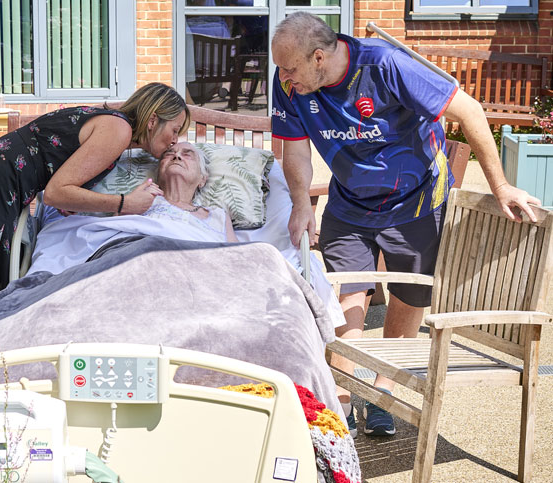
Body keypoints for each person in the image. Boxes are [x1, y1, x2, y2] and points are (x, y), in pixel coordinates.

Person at [269, 12, 541, 438]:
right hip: (350, 200)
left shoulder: (385, 65)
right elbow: (294, 148)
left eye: (289, 69)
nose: (283, 78)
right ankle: (342, 395)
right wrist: (301, 203)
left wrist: (501, 185)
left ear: (318, 57)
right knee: (346, 291)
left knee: (408, 294)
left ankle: (384, 393)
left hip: (417, 201)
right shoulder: (291, 81)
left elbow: (468, 111)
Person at [0, 83, 190, 340]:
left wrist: (76, 201)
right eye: (175, 130)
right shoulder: (118, 129)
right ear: (153, 119)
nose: (176, 139)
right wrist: (125, 203)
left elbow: (60, 180)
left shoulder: (113, 124)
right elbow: (56, 192)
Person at [144, 142, 239, 243]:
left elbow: (237, 253)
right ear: (158, 174)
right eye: (169, 154)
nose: (177, 156)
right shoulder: (143, 200)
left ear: (202, 179)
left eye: (187, 154)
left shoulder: (218, 216)